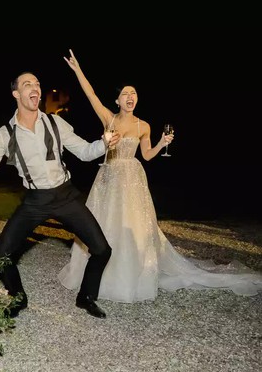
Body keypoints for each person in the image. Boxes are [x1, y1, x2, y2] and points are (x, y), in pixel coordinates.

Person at [58, 49, 262, 302]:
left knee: (132, 223)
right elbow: (91, 94)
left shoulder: (144, 125)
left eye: (133, 93)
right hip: (109, 175)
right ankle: (100, 269)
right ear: (117, 100)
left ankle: (131, 272)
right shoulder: (108, 119)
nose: (130, 97)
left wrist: (161, 143)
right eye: (125, 94)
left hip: (133, 176)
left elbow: (147, 155)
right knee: (104, 221)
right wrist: (78, 70)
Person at [0, 71, 121, 318]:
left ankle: (86, 297)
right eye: (28, 84)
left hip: (65, 195)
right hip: (35, 201)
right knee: (1, 255)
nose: (35, 87)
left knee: (102, 249)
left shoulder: (55, 123)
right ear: (16, 94)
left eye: (38, 84)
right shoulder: (5, 134)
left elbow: (85, 152)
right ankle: (18, 298)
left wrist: (103, 144)